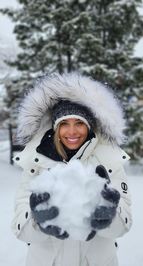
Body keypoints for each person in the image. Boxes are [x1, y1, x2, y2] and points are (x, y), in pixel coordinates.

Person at [12, 72, 132, 266]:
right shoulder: (36, 164)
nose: (72, 131)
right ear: (55, 128)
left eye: (79, 123)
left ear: (90, 127)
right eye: (64, 124)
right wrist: (37, 220)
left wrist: (110, 214)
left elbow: (123, 226)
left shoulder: (110, 163)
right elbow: (20, 229)